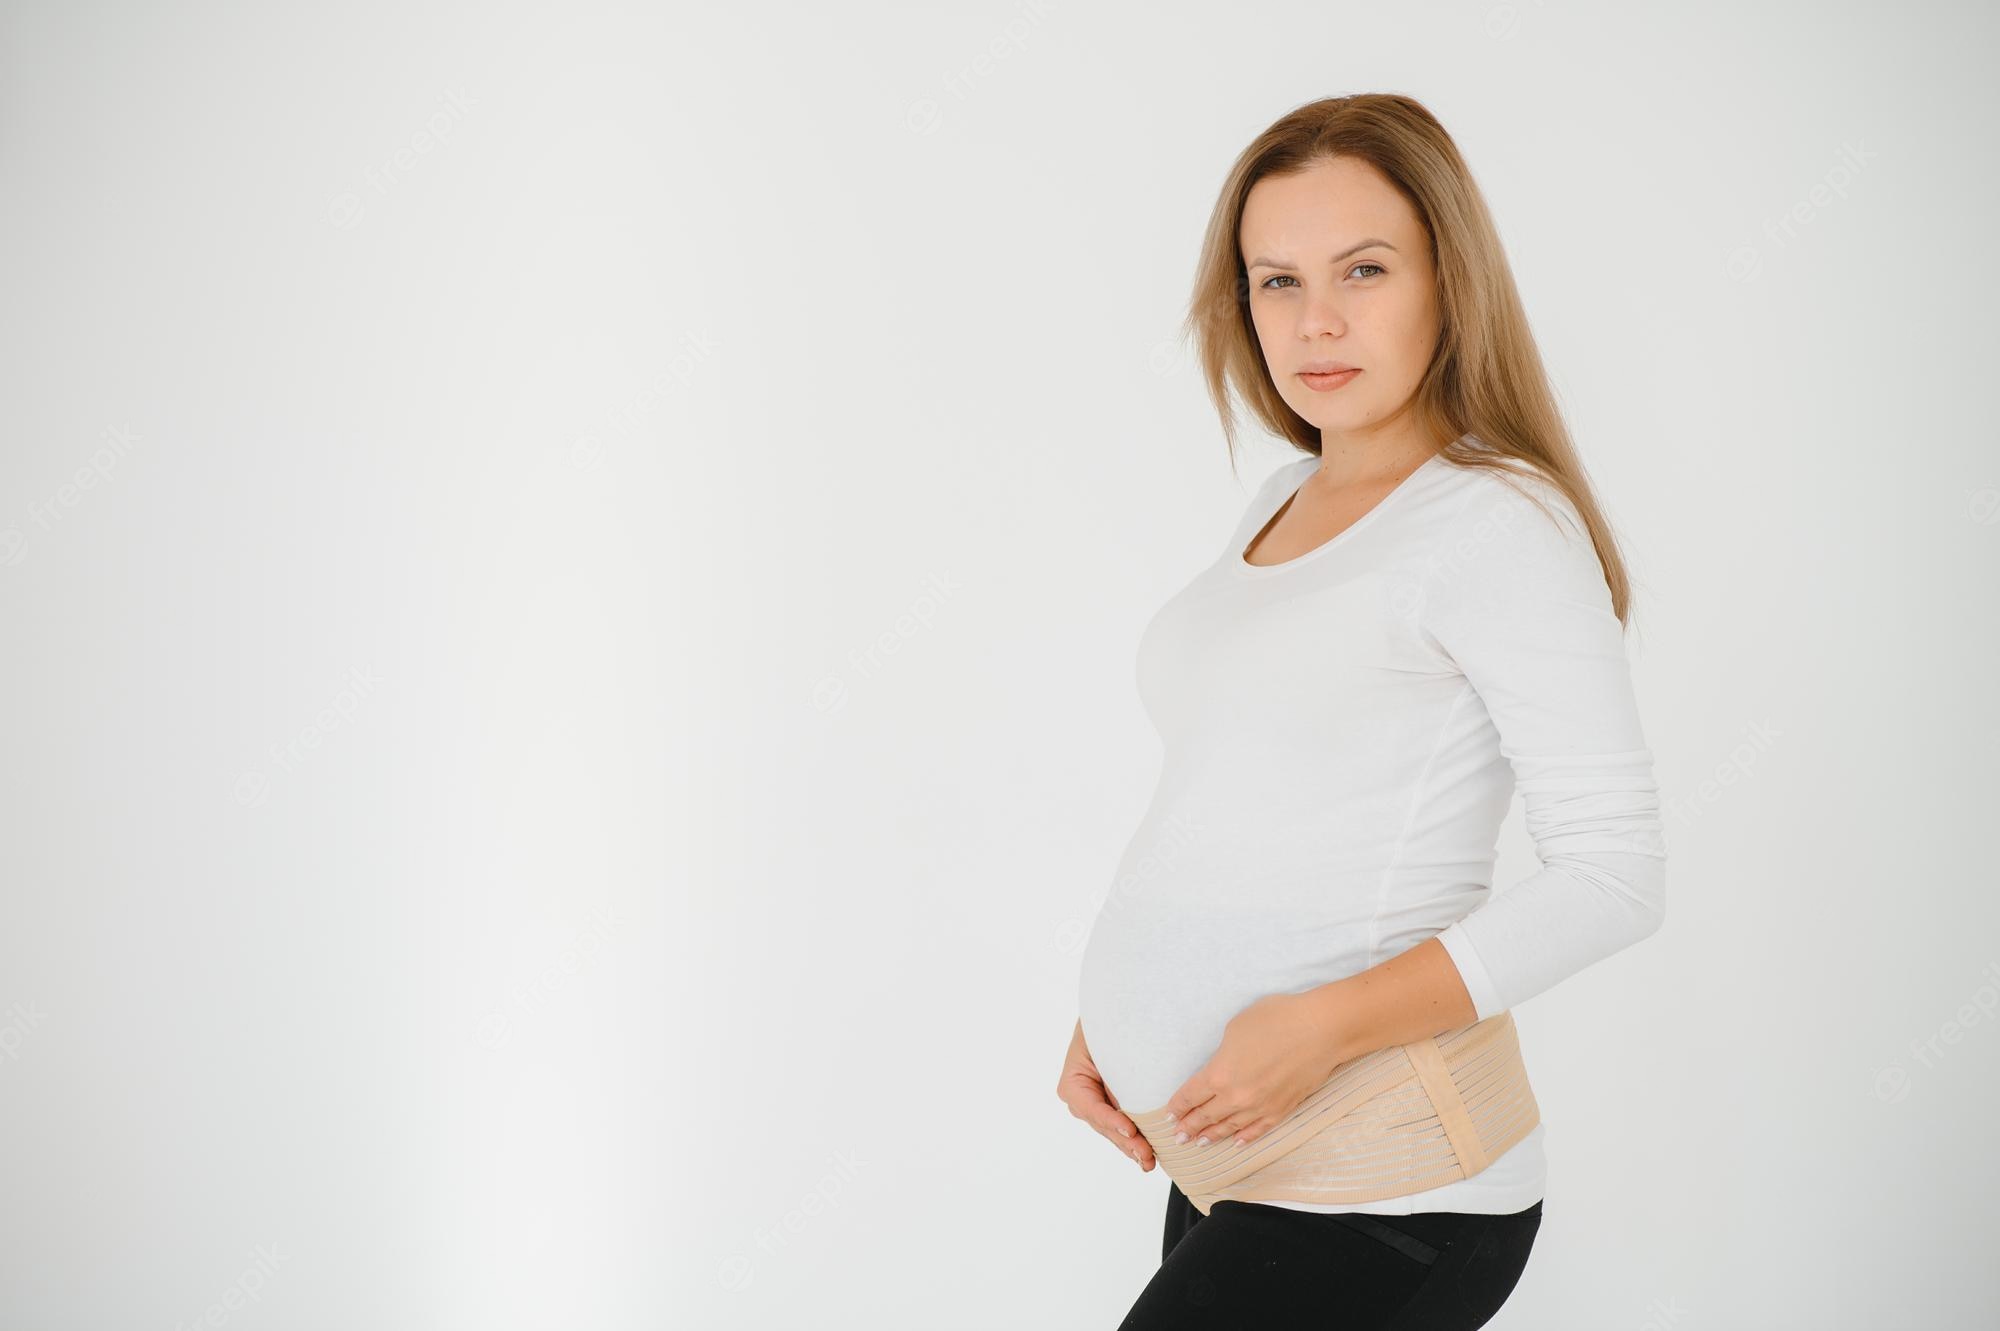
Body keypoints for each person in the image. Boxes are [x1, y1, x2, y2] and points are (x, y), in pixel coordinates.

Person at [1055, 93, 1668, 1329]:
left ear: (1451, 279)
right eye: (1274, 280)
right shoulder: (1282, 499)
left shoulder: (1493, 525)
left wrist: (1317, 1023)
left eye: (1363, 269)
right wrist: (1110, 1020)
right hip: (1228, 1153)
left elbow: (1614, 873)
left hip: (1389, 1182)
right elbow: (1244, 792)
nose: (1314, 318)